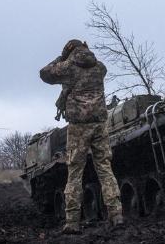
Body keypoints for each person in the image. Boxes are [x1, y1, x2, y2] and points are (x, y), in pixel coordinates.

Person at [40, 39, 123, 234]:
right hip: (100, 124)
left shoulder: (67, 67)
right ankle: (116, 214)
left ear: (69, 51)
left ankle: (72, 222)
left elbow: (44, 73)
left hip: (78, 127)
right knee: (105, 168)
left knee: (75, 172)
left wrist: (61, 58)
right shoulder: (100, 67)